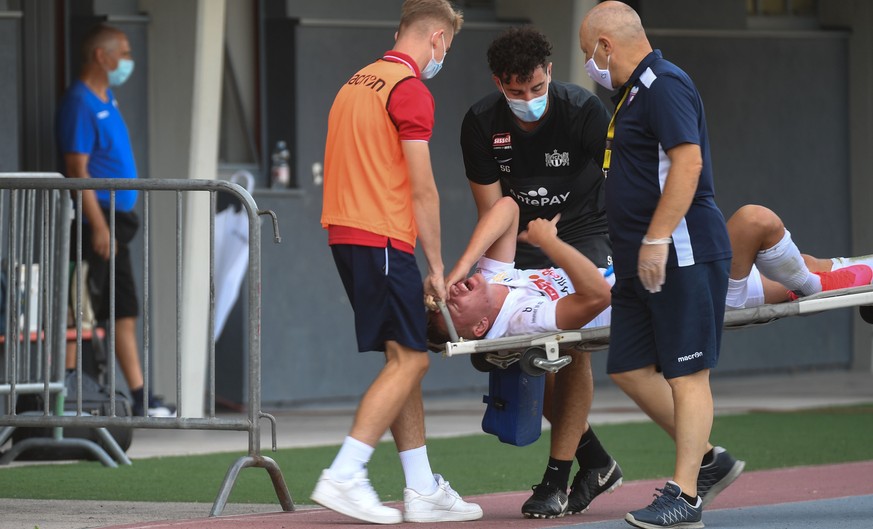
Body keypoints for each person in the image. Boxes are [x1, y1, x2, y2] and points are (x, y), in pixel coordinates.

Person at [313, 1, 482, 524]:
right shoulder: (410, 90)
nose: (442, 58)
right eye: (446, 49)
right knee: (412, 359)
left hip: (348, 233)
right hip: (381, 236)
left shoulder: (357, 82)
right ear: (434, 38)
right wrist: (436, 265)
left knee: (401, 357)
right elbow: (423, 189)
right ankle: (345, 473)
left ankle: (421, 487)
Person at [578, 2, 738, 527]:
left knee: (687, 374)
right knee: (627, 368)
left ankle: (685, 493)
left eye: (588, 53)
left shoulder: (665, 83)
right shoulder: (632, 94)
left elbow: (687, 163)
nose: (590, 64)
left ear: (606, 45)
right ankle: (710, 459)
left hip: (679, 251)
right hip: (636, 260)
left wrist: (656, 237)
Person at [459, 26, 621, 519]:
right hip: (525, 240)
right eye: (514, 91)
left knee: (570, 347)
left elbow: (625, 181)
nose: (527, 100)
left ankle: (556, 478)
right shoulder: (481, 123)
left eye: (535, 88)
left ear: (549, 73)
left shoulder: (583, 111)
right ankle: (596, 461)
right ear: (498, 82)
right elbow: (496, 211)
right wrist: (470, 269)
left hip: (586, 231)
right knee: (510, 352)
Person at [431, 199, 873, 343]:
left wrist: (461, 267)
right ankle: (813, 288)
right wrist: (551, 244)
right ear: (480, 327)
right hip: (695, 299)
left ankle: (819, 282)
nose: (451, 295)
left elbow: (506, 207)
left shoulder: (497, 281)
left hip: (679, 273)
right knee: (755, 221)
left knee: (819, 264)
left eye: (444, 295)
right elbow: (596, 298)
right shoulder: (520, 320)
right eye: (452, 307)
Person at [56, 24, 174, 418]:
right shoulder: (79, 102)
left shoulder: (108, 97)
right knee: (81, 305)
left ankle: (140, 396)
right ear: (101, 57)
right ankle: (70, 389)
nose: (128, 60)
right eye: (122, 52)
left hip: (119, 221)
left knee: (122, 308)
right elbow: (78, 170)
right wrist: (99, 225)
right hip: (97, 222)